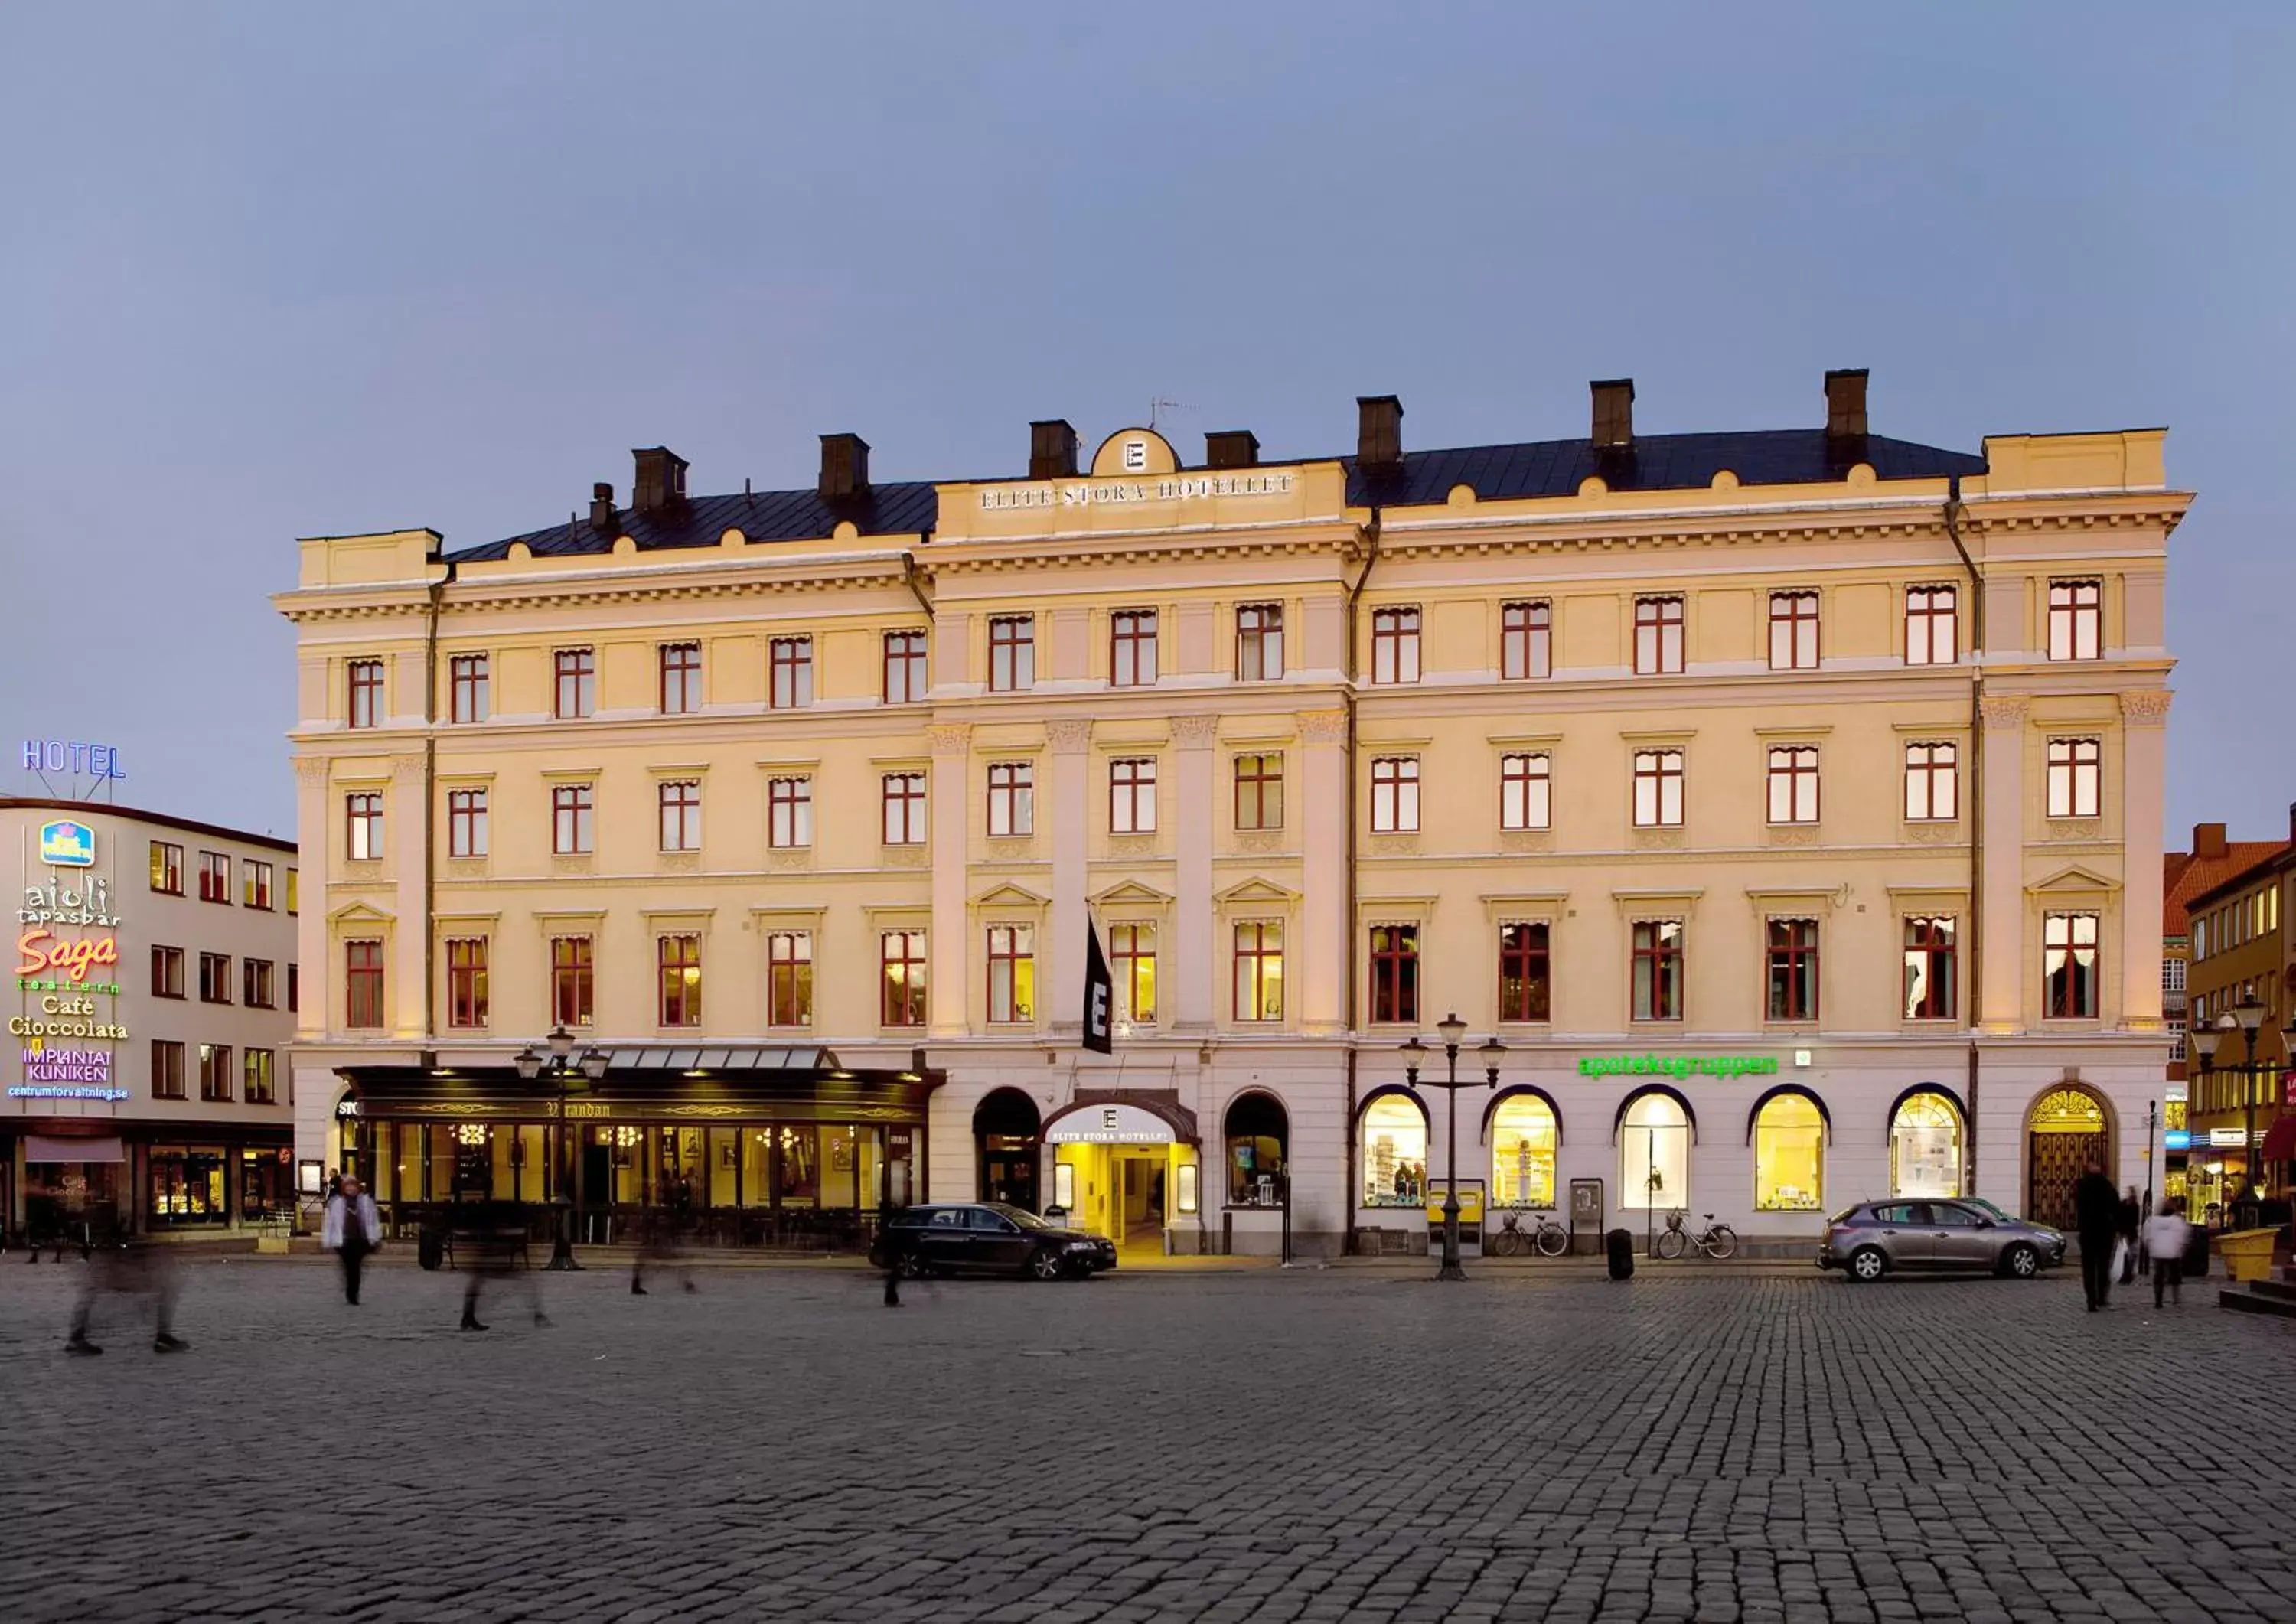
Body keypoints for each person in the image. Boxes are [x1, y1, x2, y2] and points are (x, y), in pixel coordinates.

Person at [66, 1229, 185, 1355]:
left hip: (111, 1254)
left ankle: (77, 1337)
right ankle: (77, 1337)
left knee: (164, 1286)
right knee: (91, 1290)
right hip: (109, 1256)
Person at [458, 1199, 546, 1332]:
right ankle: (537, 1314)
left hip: (493, 1260)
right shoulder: (503, 1222)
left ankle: (468, 1316)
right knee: (525, 1283)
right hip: (494, 1261)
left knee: (478, 1283)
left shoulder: (496, 1222)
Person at [323, 1175, 382, 1305]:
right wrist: (327, 1240)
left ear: (357, 1188)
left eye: (353, 1186)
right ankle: (350, 1289)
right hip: (344, 1241)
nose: (351, 1189)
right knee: (348, 1267)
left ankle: (353, 1292)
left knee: (356, 1267)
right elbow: (331, 1223)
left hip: (360, 1240)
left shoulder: (366, 1202)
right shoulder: (338, 1203)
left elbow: (373, 1221)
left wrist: (375, 1237)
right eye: (348, 1186)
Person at [2073, 1159, 2121, 1311]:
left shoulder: (2081, 1185)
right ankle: (2100, 1298)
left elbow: (2077, 1206)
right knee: (2102, 1267)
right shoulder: (2106, 1185)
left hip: (2088, 1232)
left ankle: (2092, 1300)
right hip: (2104, 1232)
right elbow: (2116, 1206)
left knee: (2090, 1269)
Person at [2143, 1196, 2190, 1309]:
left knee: (2159, 1276)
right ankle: (2176, 1299)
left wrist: (2150, 1247)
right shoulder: (2177, 1221)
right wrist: (2181, 1248)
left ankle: (2158, 1300)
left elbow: (2146, 1236)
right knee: (2175, 1276)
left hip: (2158, 1252)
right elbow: (2183, 1236)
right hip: (2173, 1252)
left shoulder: (2152, 1221)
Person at [2117, 1185, 2141, 1284]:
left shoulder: (2134, 1205)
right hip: (2126, 1233)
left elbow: (2135, 1221)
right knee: (2126, 1255)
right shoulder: (2125, 1204)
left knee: (2130, 1255)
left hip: (2130, 1233)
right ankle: (2126, 1274)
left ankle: (2127, 1274)